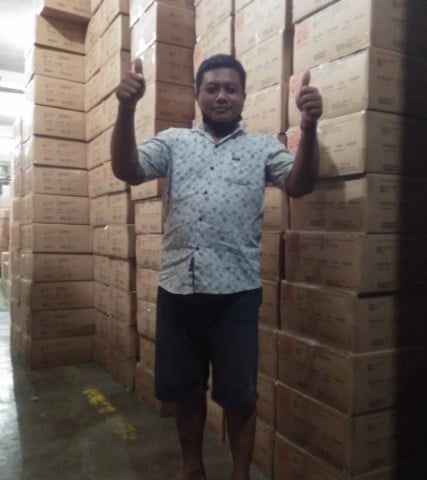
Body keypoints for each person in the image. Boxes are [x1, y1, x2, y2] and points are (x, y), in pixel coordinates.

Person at [111, 53, 323, 480]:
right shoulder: (173, 142)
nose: (221, 96)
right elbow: (128, 169)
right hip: (179, 288)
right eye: (212, 88)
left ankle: (239, 475)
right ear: (197, 95)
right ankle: (193, 468)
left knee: (239, 395)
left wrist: (309, 127)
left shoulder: (263, 148)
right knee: (186, 390)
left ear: (243, 96)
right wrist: (127, 108)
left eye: (230, 88)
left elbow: (299, 184)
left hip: (236, 296)